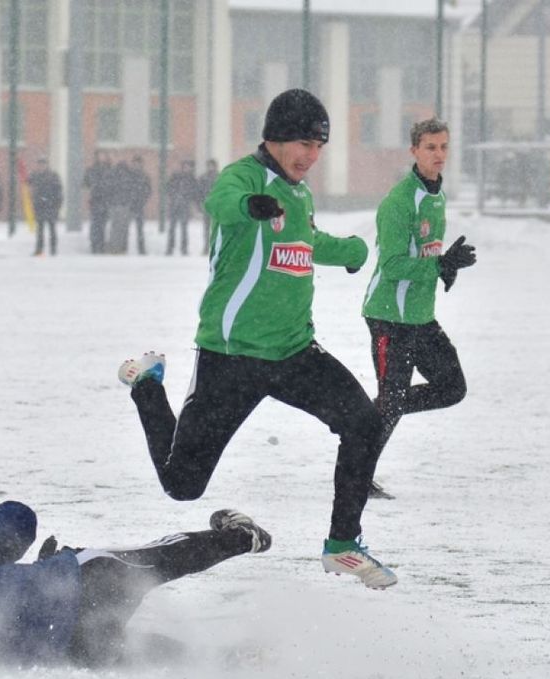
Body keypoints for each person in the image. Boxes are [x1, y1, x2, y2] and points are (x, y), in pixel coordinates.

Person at [118, 88, 394, 590]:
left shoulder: (300, 193)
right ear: (275, 138)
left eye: (319, 148)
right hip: (232, 357)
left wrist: (350, 249)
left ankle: (342, 545)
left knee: (365, 425)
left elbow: (305, 242)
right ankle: (146, 385)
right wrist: (252, 204)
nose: (310, 157)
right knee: (183, 485)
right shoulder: (242, 178)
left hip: (293, 352)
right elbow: (220, 203)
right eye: (303, 145)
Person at [0, 500, 271, 667]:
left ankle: (227, 662)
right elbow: (17, 520)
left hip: (67, 651)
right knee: (156, 559)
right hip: (74, 587)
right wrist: (16, 563)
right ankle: (240, 537)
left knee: (139, 650)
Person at [361, 118, 478, 500]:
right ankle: (358, 471)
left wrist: (446, 267)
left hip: (419, 317)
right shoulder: (399, 202)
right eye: (430, 147)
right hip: (389, 317)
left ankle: (374, 413)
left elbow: (425, 254)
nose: (439, 154)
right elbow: (393, 264)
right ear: (414, 151)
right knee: (391, 400)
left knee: (452, 387)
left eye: (444, 147)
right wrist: (437, 266)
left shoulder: (437, 195)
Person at [27, 157, 63, 256]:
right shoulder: (35, 175)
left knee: (52, 229)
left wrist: (57, 205)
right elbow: (28, 182)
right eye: (39, 164)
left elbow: (58, 192)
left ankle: (53, 249)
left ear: (46, 165)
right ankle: (39, 249)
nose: (41, 167)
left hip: (51, 206)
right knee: (40, 230)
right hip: (39, 206)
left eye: (43, 164)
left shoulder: (53, 176)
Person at [165, 160, 199, 255]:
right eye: (185, 166)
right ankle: (170, 248)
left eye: (188, 166)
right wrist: (174, 196)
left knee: (183, 228)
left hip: (184, 205)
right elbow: (168, 187)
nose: (187, 168)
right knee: (172, 228)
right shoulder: (176, 176)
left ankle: (183, 248)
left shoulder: (191, 179)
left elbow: (195, 193)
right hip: (175, 205)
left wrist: (193, 202)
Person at [83, 150, 113, 255]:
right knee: (95, 224)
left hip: (105, 201)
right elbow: (85, 184)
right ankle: (94, 245)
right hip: (95, 201)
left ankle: (101, 245)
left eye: (103, 156)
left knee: (102, 225)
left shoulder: (109, 170)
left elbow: (113, 185)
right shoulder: (92, 170)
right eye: (99, 156)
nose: (102, 158)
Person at [122, 155, 151, 255]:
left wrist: (142, 200)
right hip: (129, 205)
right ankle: (123, 247)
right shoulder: (128, 175)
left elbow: (148, 190)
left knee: (140, 229)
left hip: (139, 205)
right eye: (135, 163)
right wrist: (127, 199)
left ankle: (141, 249)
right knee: (125, 228)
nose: (136, 165)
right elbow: (124, 189)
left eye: (138, 163)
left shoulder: (144, 176)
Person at [197, 158, 220, 252]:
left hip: (217, 207)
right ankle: (206, 247)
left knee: (216, 229)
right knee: (206, 228)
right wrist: (200, 203)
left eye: (212, 165)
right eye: (209, 165)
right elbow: (199, 192)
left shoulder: (220, 177)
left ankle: (216, 247)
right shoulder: (203, 178)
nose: (210, 167)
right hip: (208, 206)